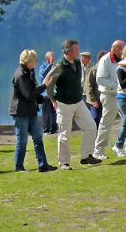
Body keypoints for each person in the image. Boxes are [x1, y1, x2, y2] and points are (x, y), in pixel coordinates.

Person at [45, 40, 100, 169]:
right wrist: (53, 101)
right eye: (76, 50)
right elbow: (47, 83)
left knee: (91, 126)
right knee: (65, 133)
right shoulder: (59, 66)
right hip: (63, 104)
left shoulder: (77, 63)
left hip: (78, 101)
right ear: (68, 52)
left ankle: (86, 156)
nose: (79, 53)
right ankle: (64, 163)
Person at [9, 49, 57, 172]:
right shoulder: (20, 75)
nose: (36, 62)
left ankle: (43, 165)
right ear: (28, 61)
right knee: (23, 140)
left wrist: (44, 99)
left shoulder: (29, 72)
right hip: (20, 113)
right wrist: (45, 86)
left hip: (31, 111)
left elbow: (33, 92)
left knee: (38, 138)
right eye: (34, 60)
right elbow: (29, 94)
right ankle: (19, 167)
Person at [92, 39, 125, 160]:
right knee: (106, 123)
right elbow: (100, 79)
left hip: (121, 95)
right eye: (123, 48)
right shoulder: (105, 60)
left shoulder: (122, 59)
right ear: (116, 49)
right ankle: (98, 151)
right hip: (109, 95)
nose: (125, 51)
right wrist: (117, 85)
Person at [38, 51, 58, 134]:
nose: (53, 59)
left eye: (53, 57)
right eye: (51, 57)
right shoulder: (42, 67)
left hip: (53, 93)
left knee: (54, 111)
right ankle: (46, 129)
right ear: (47, 58)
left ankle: (53, 129)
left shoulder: (55, 67)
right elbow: (43, 74)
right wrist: (50, 65)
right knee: (46, 112)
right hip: (45, 94)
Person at [84, 51, 105, 128]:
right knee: (95, 118)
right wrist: (93, 101)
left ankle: (102, 139)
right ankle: (94, 138)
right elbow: (88, 86)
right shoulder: (94, 70)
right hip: (95, 101)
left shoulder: (107, 69)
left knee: (104, 120)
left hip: (104, 100)